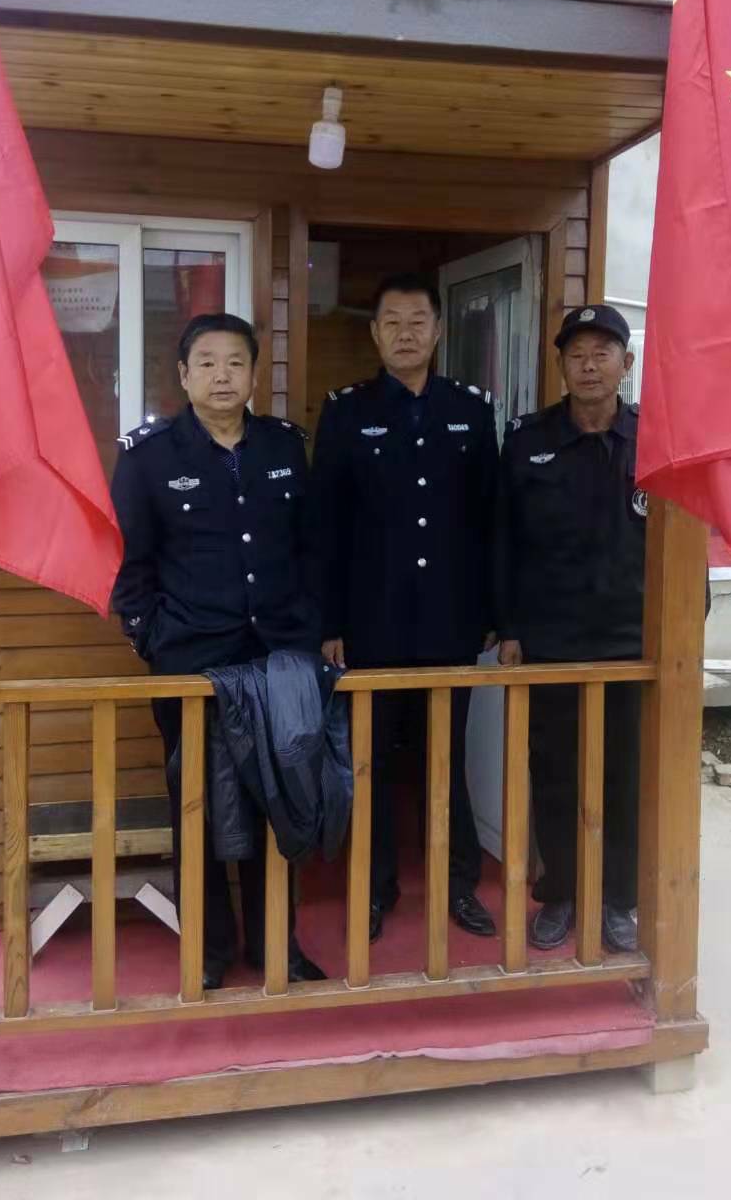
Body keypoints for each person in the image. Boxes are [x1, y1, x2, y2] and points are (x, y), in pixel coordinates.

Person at [110, 312, 325, 989]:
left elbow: (310, 549)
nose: (222, 375)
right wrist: (149, 637)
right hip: (191, 661)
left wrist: (310, 629)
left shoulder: (284, 446)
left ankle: (275, 944)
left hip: (276, 657)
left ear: (255, 373)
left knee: (277, 795)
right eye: (206, 363)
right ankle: (207, 948)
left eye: (235, 362)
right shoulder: (148, 456)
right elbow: (130, 562)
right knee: (195, 803)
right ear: (183, 375)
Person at [309, 274, 499, 941]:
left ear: (439, 330)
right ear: (374, 333)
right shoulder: (346, 411)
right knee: (374, 763)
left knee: (445, 757)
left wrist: (493, 611)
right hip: (372, 622)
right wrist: (329, 622)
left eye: (418, 320)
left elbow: (490, 519)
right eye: (392, 321)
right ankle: (374, 888)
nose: (406, 333)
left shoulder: (470, 410)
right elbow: (324, 526)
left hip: (450, 620)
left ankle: (458, 884)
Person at [495, 303, 646, 955]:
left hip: (631, 641)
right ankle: (560, 891)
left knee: (625, 774)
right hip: (552, 638)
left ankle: (616, 899)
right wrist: (508, 626)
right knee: (555, 770)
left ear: (625, 364)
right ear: (560, 365)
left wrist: (683, 623)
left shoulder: (655, 441)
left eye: (601, 354)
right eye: (576, 355)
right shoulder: (527, 441)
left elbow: (683, 540)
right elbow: (503, 540)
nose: (589, 366)